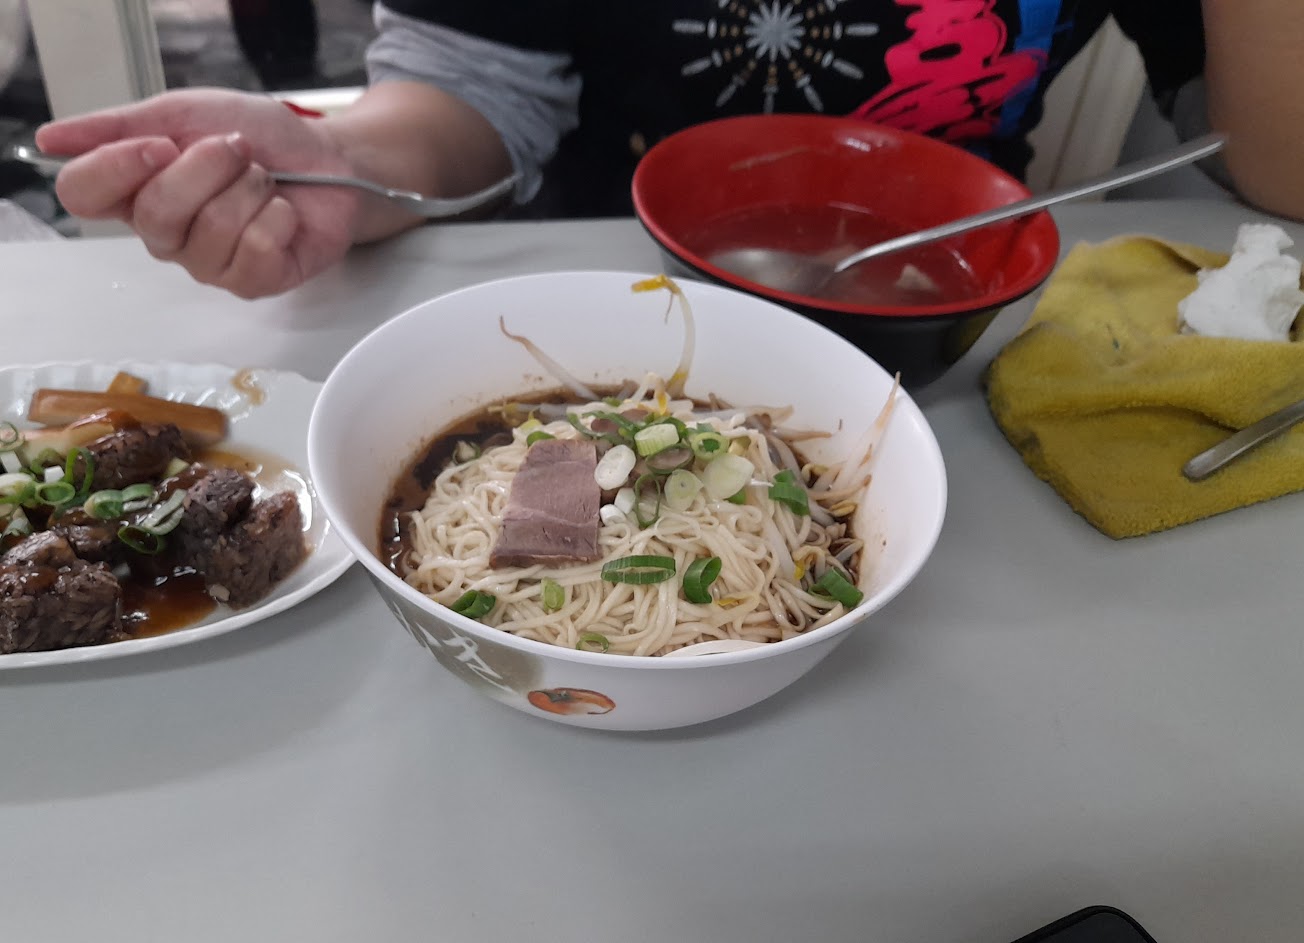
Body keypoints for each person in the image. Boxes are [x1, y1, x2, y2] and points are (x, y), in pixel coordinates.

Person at [33, 1, 1304, 300]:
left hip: (959, 321)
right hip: (597, 295)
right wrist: (344, 167)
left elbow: (1279, 168)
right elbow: (474, 89)